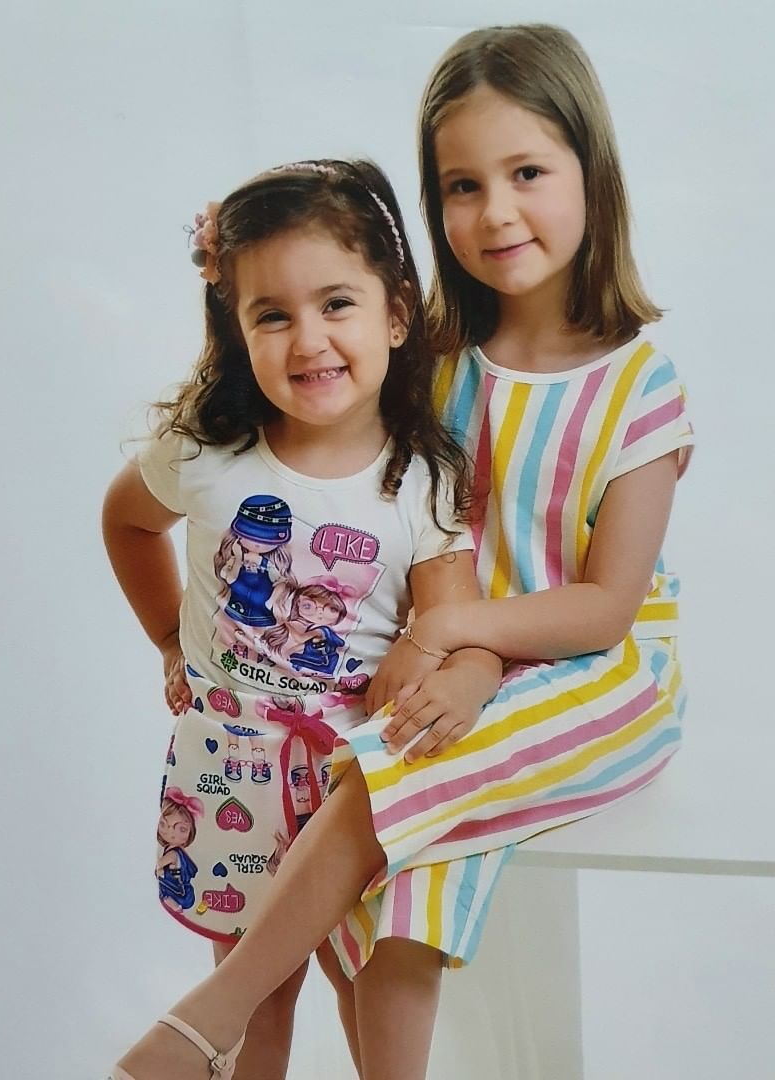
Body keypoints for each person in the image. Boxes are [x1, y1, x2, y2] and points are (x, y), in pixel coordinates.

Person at [109, 22, 695, 1080]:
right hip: (443, 661)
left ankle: (202, 1023)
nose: (497, 210)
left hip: (592, 671)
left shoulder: (637, 389)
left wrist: (451, 637)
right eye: (463, 186)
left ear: (592, 172)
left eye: (527, 172)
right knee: (404, 881)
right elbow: (311, 408)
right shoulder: (427, 353)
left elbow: (606, 609)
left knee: (386, 770)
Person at [102, 157, 501, 1080]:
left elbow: (454, 622)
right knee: (254, 1000)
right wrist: (167, 638)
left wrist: (430, 654)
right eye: (272, 315)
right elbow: (127, 521)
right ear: (236, 329)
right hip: (232, 768)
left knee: (370, 987)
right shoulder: (206, 452)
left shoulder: (421, 478)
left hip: (357, 784)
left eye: (336, 304)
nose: (308, 339)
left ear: (395, 313)